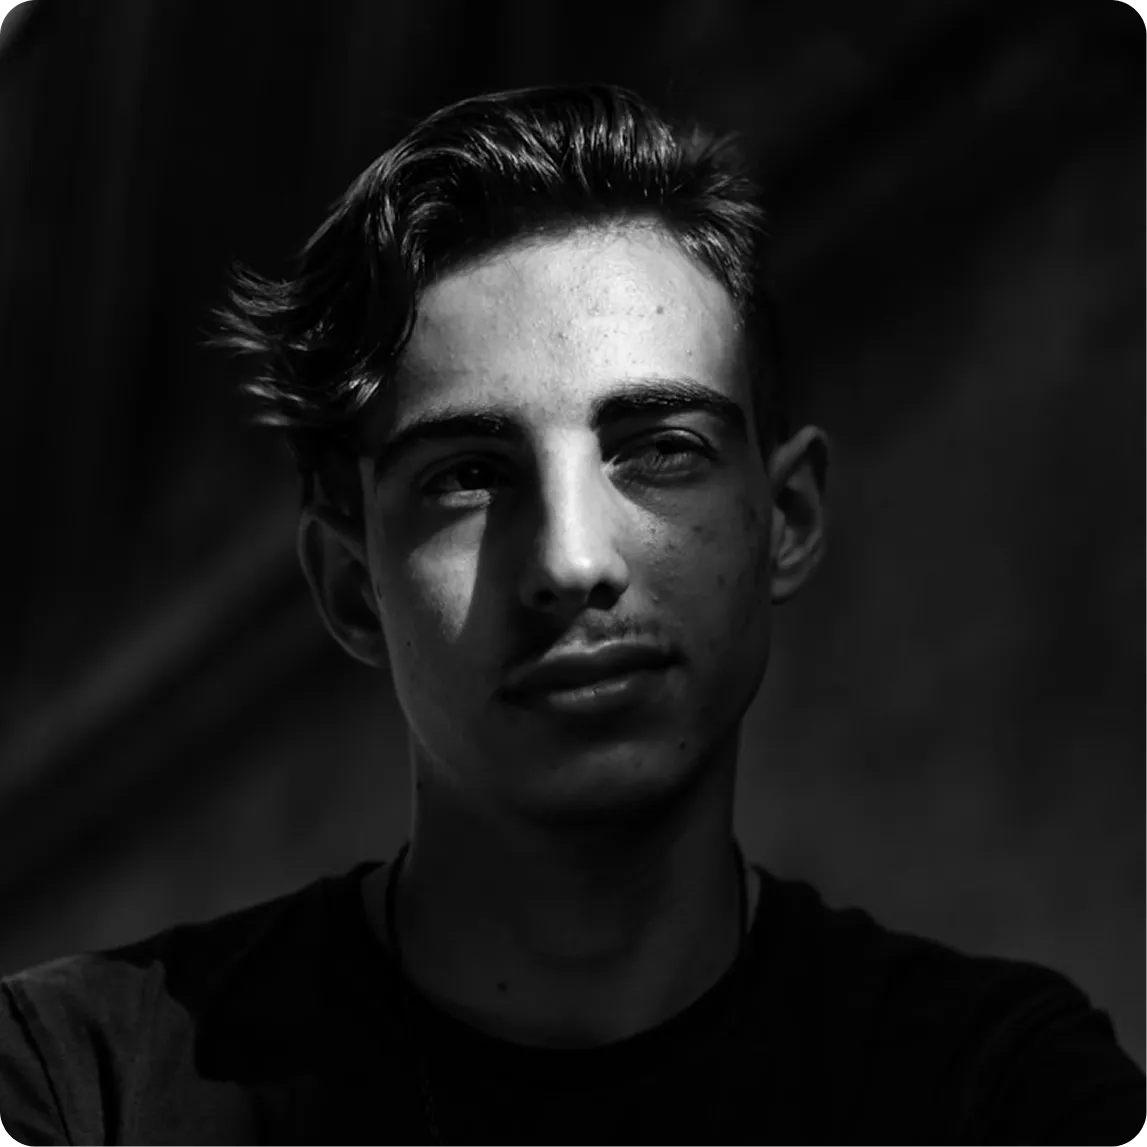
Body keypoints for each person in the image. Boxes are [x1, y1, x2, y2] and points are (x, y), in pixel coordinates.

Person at [1, 83, 1144, 1147]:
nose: (570, 559)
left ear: (785, 518)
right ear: (351, 587)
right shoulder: (77, 1085)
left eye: (660, 450)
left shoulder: (1000, 1090)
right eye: (467, 475)